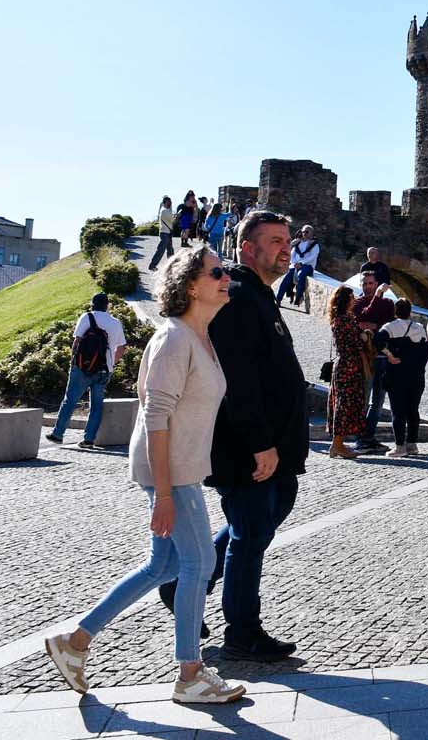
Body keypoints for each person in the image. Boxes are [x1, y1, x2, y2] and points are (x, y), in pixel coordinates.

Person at [45, 246, 247, 705]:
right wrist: (163, 493)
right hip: (169, 470)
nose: (225, 278)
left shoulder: (199, 336)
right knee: (200, 564)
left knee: (164, 565)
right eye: (216, 272)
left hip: (179, 468)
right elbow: (155, 416)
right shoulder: (174, 338)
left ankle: (74, 642)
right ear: (191, 286)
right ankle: (190, 674)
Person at [159, 209, 307, 663]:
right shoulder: (238, 296)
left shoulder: (260, 295)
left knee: (263, 519)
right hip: (248, 446)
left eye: (288, 240)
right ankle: (243, 632)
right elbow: (237, 379)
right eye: (275, 241)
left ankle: (184, 583)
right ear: (247, 247)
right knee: (249, 532)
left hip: (276, 447)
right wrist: (260, 442)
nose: (286, 248)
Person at [45, 293, 128, 447]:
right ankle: (89, 439)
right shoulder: (115, 323)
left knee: (69, 400)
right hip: (104, 370)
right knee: (97, 405)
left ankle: (58, 434)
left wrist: (73, 362)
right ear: (107, 305)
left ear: (92, 304)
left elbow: (76, 342)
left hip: (82, 367)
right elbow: (122, 348)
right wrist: (111, 363)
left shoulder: (86, 317)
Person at [351, 271, 394, 453]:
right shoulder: (357, 303)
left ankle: (370, 436)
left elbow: (386, 325)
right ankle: (361, 439)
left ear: (376, 284)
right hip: (366, 359)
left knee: (377, 402)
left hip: (383, 358)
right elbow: (361, 319)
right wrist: (376, 300)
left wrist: (372, 322)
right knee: (363, 400)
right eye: (364, 283)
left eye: (371, 284)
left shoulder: (388, 303)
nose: (367, 287)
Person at [380, 299, 428, 458]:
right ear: (410, 312)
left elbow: (376, 341)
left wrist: (389, 355)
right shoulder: (420, 328)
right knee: (413, 411)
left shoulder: (390, 327)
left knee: (398, 412)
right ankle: (412, 444)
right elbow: (424, 352)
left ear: (395, 311)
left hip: (397, 374)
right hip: (416, 376)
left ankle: (400, 446)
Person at [325, 286, 365, 460]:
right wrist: (366, 336)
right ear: (346, 300)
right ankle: (337, 444)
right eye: (351, 296)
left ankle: (338, 443)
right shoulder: (345, 320)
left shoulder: (340, 319)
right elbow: (357, 342)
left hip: (344, 365)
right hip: (349, 366)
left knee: (342, 404)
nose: (354, 299)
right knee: (344, 405)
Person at [276, 225, 319, 307]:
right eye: (303, 232)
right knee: (287, 278)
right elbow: (292, 254)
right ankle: (278, 299)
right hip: (295, 265)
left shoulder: (314, 244)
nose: (305, 233)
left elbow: (312, 256)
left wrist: (301, 263)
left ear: (311, 233)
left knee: (301, 275)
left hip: (307, 266)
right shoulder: (298, 243)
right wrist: (295, 263)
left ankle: (298, 297)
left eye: (307, 232)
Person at [149, 196, 177, 271]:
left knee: (170, 250)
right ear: (164, 203)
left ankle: (172, 266)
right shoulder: (164, 211)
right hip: (165, 233)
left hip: (167, 232)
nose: (170, 203)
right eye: (169, 202)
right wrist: (177, 216)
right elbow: (172, 220)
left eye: (170, 202)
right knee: (161, 250)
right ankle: (152, 265)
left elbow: (171, 216)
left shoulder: (167, 210)